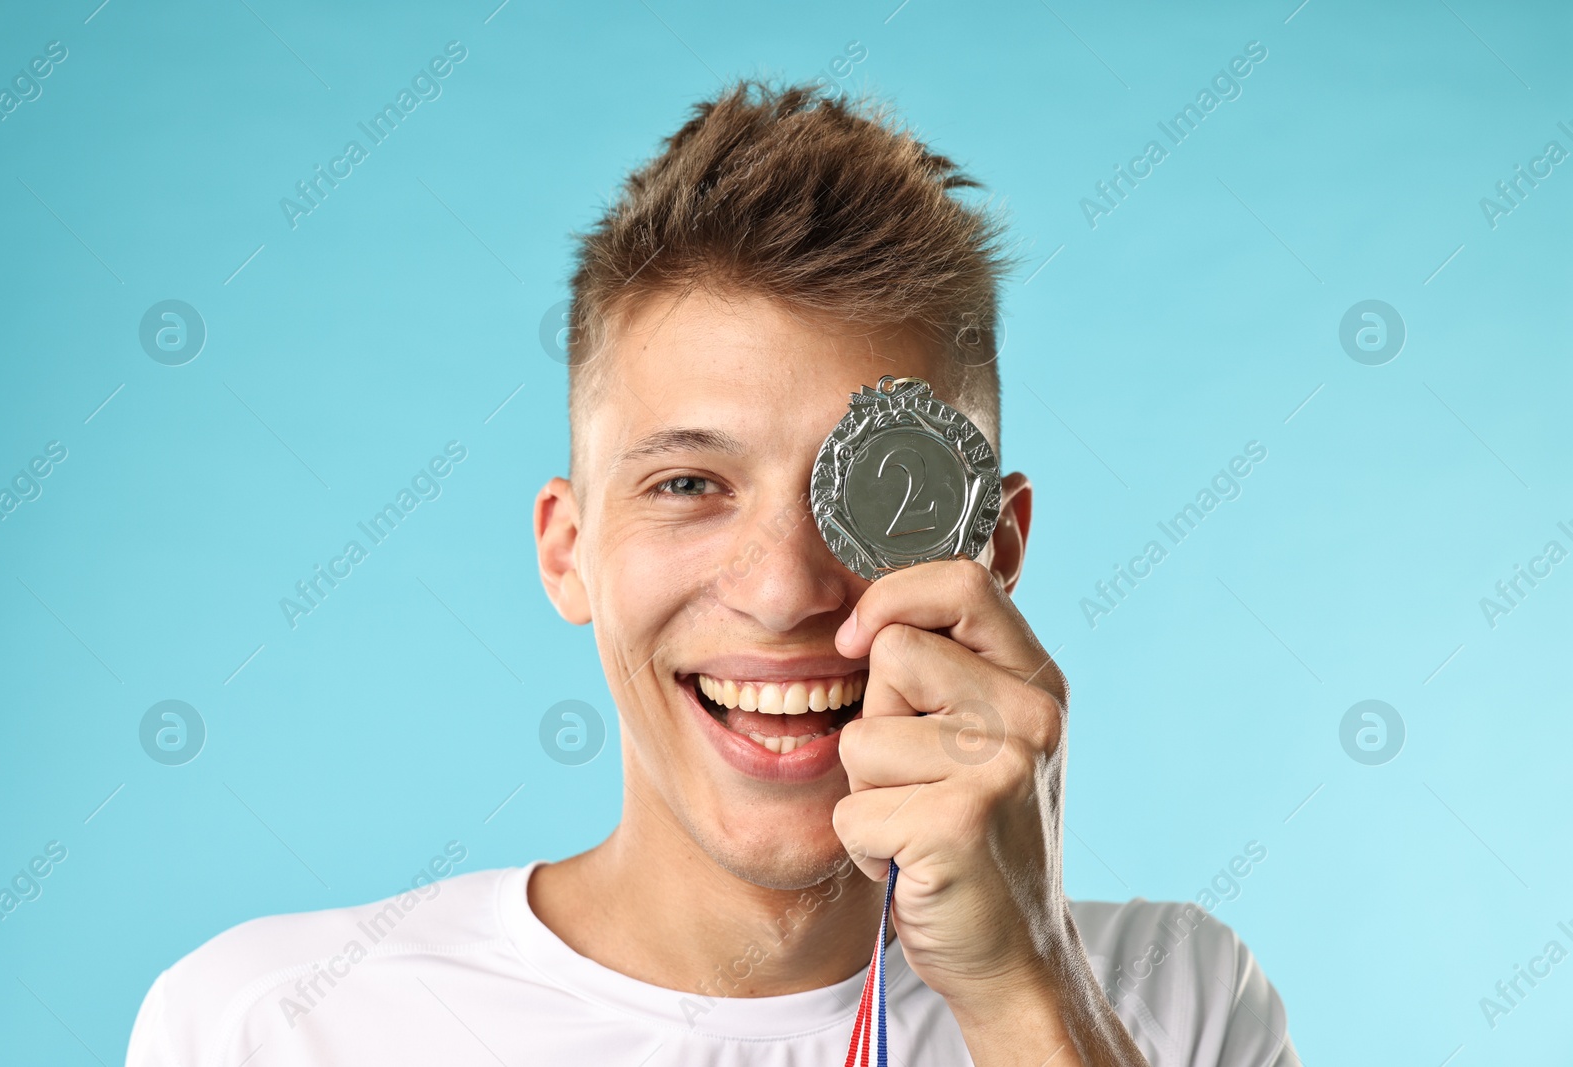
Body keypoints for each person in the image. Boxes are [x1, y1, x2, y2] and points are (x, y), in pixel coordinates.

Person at [127, 77, 1299, 1066]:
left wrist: (1023, 987)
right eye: (689, 483)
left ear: (992, 545)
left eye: (874, 496)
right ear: (567, 547)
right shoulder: (275, 1023)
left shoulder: (1172, 998)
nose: (785, 589)